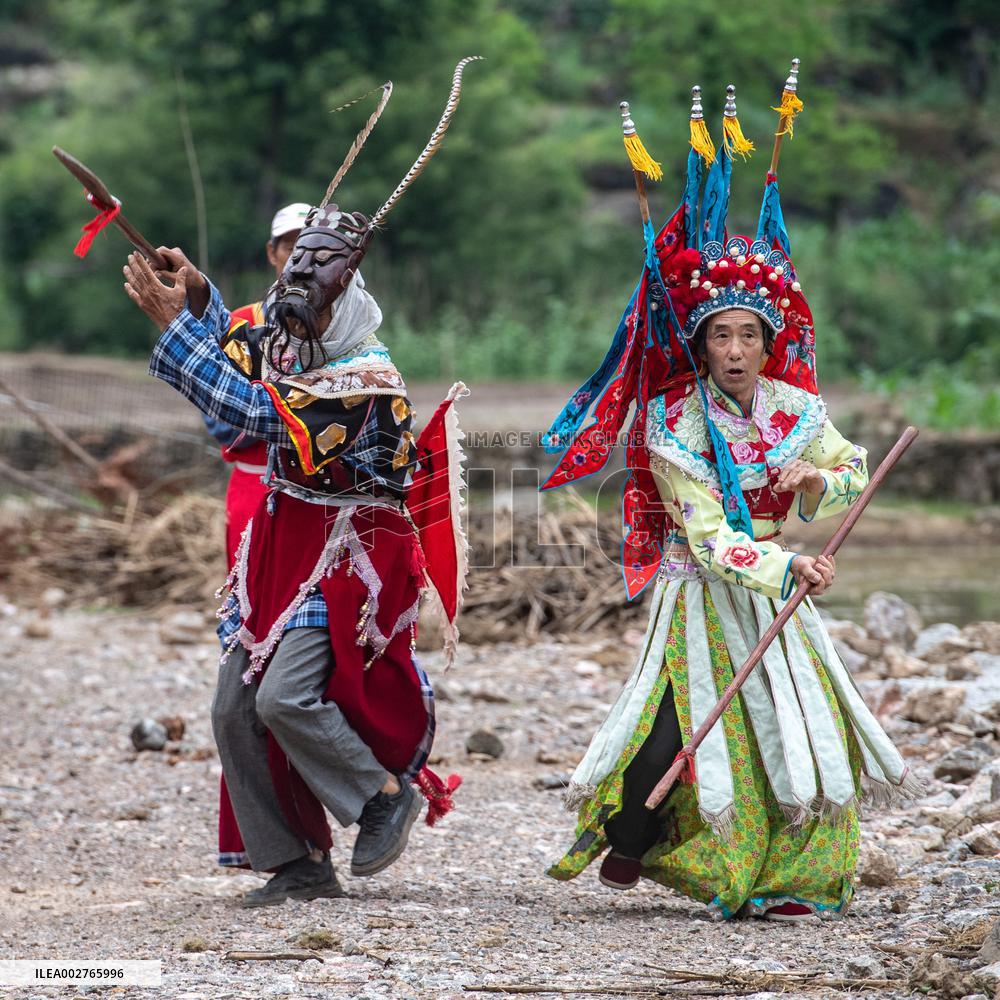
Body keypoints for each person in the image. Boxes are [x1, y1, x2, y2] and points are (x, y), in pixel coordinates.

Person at [542, 76, 919, 922]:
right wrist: (788, 562)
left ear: (768, 340)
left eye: (751, 334)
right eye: (722, 335)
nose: (739, 349)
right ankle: (638, 840)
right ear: (702, 343)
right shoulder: (672, 423)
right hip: (702, 596)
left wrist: (819, 482)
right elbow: (709, 536)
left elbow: (851, 465)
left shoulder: (796, 409)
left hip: (783, 586)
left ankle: (794, 879)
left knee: (796, 721)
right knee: (679, 733)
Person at [121, 62, 476, 907]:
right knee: (231, 709)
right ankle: (296, 864)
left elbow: (248, 412)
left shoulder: (364, 378)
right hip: (281, 545)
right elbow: (249, 357)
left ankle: (382, 797)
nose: (292, 317)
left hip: (346, 558)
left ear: (343, 303)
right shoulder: (301, 344)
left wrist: (176, 332)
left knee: (283, 695)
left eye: (306, 303)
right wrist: (201, 299)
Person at [202, 202, 311, 567]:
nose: (300, 257)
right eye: (290, 245)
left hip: (324, 499)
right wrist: (283, 414)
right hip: (255, 489)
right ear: (272, 253)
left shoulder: (348, 332)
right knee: (248, 605)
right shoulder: (242, 323)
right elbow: (220, 419)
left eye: (311, 246)